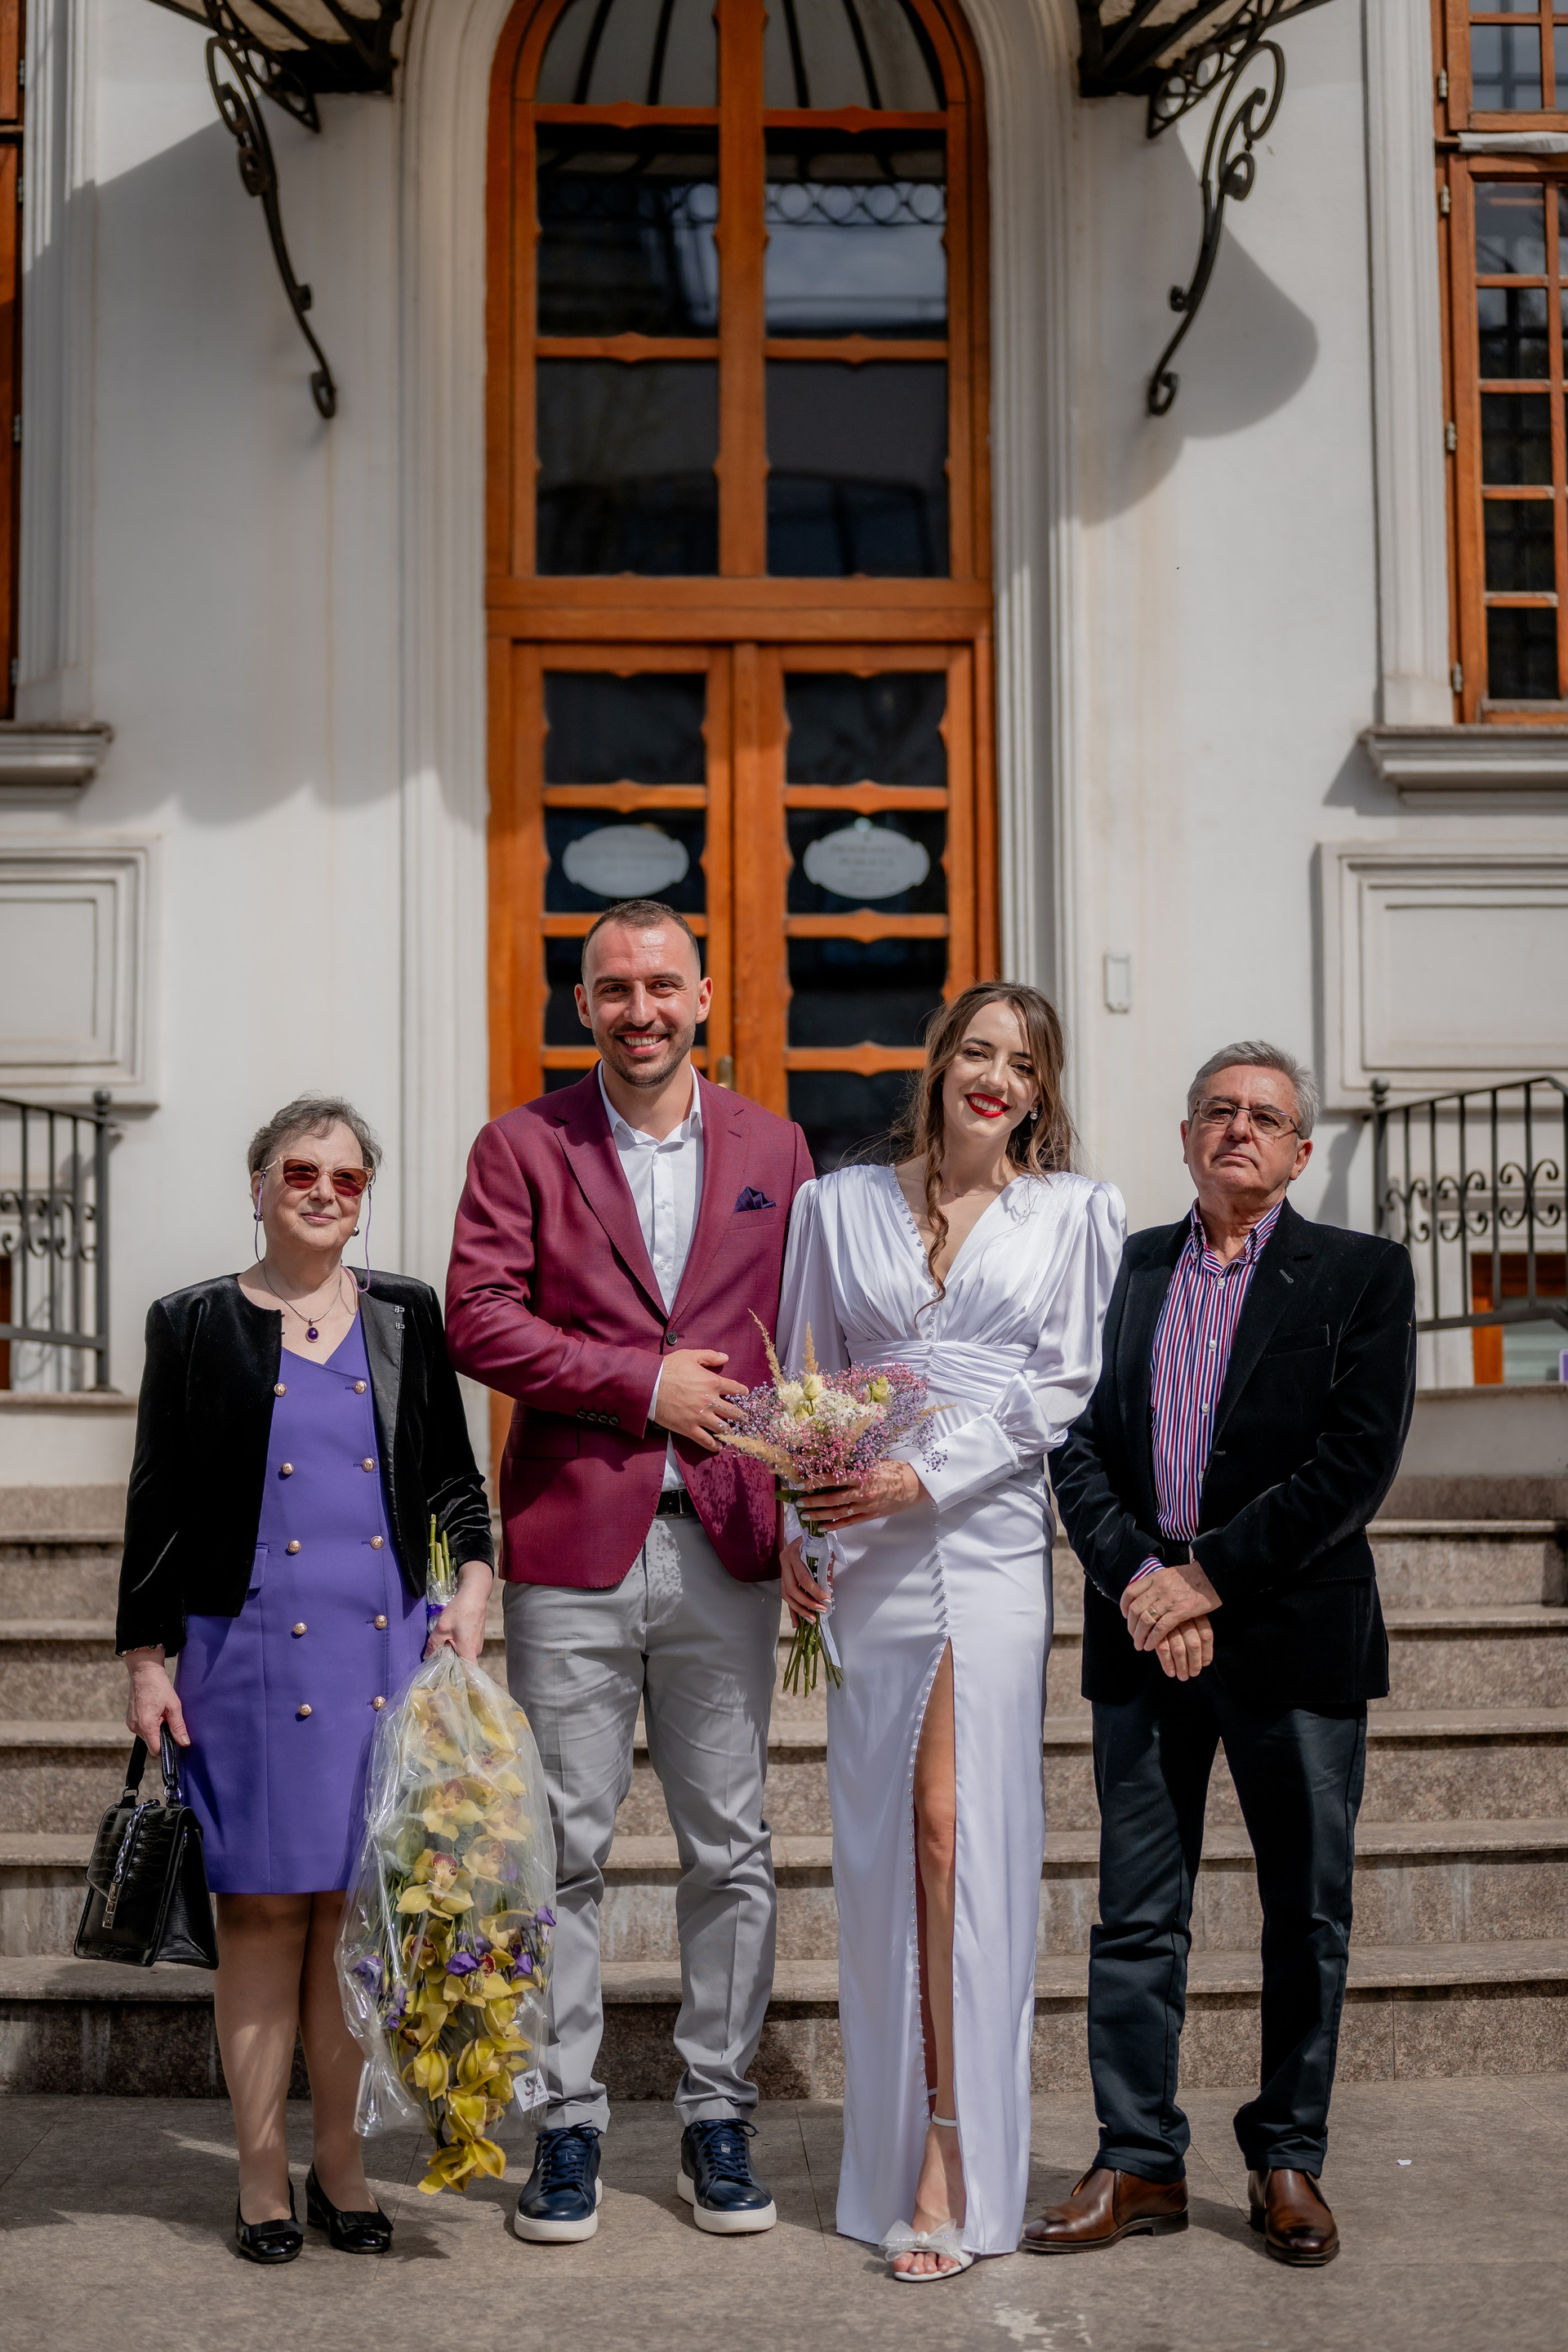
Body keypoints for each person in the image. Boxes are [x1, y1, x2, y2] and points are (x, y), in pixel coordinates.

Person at [444, 898, 813, 2244]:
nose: (640, 1010)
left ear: (703, 997)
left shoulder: (777, 1147)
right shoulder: (522, 1145)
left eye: (662, 986)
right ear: (584, 1005)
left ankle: (718, 2113)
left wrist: (814, 1508)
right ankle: (567, 2122)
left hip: (726, 1540)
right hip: (572, 1545)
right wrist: (639, 1383)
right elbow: (478, 1318)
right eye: (614, 989)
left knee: (733, 1847)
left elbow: (804, 1334)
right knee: (561, 1849)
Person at [1025, 1043, 1416, 2270]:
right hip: (1145, 1638)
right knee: (1138, 1915)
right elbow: (1071, 1441)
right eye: (1219, 1111)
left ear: (1300, 1152)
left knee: (1306, 1912)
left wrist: (1207, 1577)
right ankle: (1137, 2158)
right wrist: (1146, 1581)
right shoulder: (1122, 1269)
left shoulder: (1362, 1274)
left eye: (1265, 1116)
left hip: (1295, 1642)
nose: (1239, 1128)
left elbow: (1354, 1465)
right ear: (1187, 1135)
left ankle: (1287, 2155)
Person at [776, 983, 1125, 2280]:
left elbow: (1061, 1385)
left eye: (1023, 1065)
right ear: (939, 1063)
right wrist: (805, 1527)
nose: (996, 1078)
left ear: (1041, 1092)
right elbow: (805, 1374)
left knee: (953, 1831)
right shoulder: (836, 1206)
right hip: (864, 1548)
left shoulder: (1075, 1213)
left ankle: (953, 2153)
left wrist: (927, 1473)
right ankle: (890, 2156)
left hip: (982, 1534)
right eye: (978, 1051)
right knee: (885, 1847)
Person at [118, 1095, 495, 2265]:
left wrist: (473, 1589)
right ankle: (260, 2173)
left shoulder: (404, 1314)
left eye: (347, 1177)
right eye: (301, 1172)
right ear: (259, 1185)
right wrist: (146, 1661)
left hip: (380, 1652)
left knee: (350, 1919)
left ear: (364, 1196)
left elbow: (454, 1482)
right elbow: (157, 1503)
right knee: (260, 1916)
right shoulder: (192, 1322)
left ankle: (341, 2161)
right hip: (241, 1656)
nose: (325, 1192)